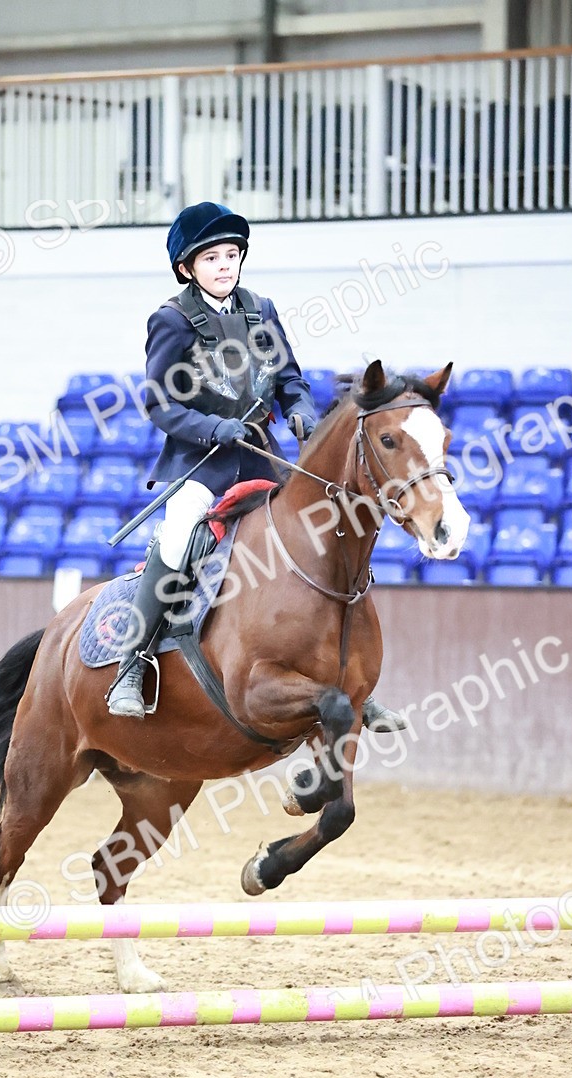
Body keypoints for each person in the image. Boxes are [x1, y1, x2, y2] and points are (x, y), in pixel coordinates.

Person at [107, 201, 403, 737]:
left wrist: (300, 410)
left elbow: (289, 378)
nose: (225, 265)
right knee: (177, 537)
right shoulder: (171, 321)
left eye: (231, 255)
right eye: (212, 258)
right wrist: (213, 428)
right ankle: (133, 662)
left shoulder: (260, 309)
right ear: (186, 268)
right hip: (203, 462)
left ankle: (355, 681)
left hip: (264, 455)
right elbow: (159, 404)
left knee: (330, 526)